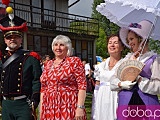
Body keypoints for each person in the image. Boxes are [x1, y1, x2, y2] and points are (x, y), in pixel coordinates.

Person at [111, 20, 160, 119]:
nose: (129, 43)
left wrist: (140, 80)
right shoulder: (126, 59)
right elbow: (113, 80)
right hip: (126, 105)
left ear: (141, 39)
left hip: (147, 106)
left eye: (132, 39)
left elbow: (158, 86)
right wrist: (121, 84)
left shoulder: (154, 60)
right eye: (128, 40)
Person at [0, 7, 42, 120]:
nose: (12, 39)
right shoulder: (2, 59)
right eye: (9, 37)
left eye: (16, 37)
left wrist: (35, 100)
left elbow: (37, 80)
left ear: (21, 39)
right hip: (6, 105)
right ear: (5, 40)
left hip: (23, 104)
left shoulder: (31, 57)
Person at [40, 35, 87, 120]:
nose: (58, 47)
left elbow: (82, 85)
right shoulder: (48, 64)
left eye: (61, 45)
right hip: (49, 106)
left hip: (67, 104)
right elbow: (43, 88)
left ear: (67, 47)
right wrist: (41, 110)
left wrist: (80, 107)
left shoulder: (74, 61)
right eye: (56, 45)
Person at [93, 34, 124, 120]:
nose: (112, 45)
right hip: (101, 98)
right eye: (110, 43)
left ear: (122, 47)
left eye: (115, 43)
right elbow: (97, 87)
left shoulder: (124, 64)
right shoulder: (101, 66)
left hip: (116, 98)